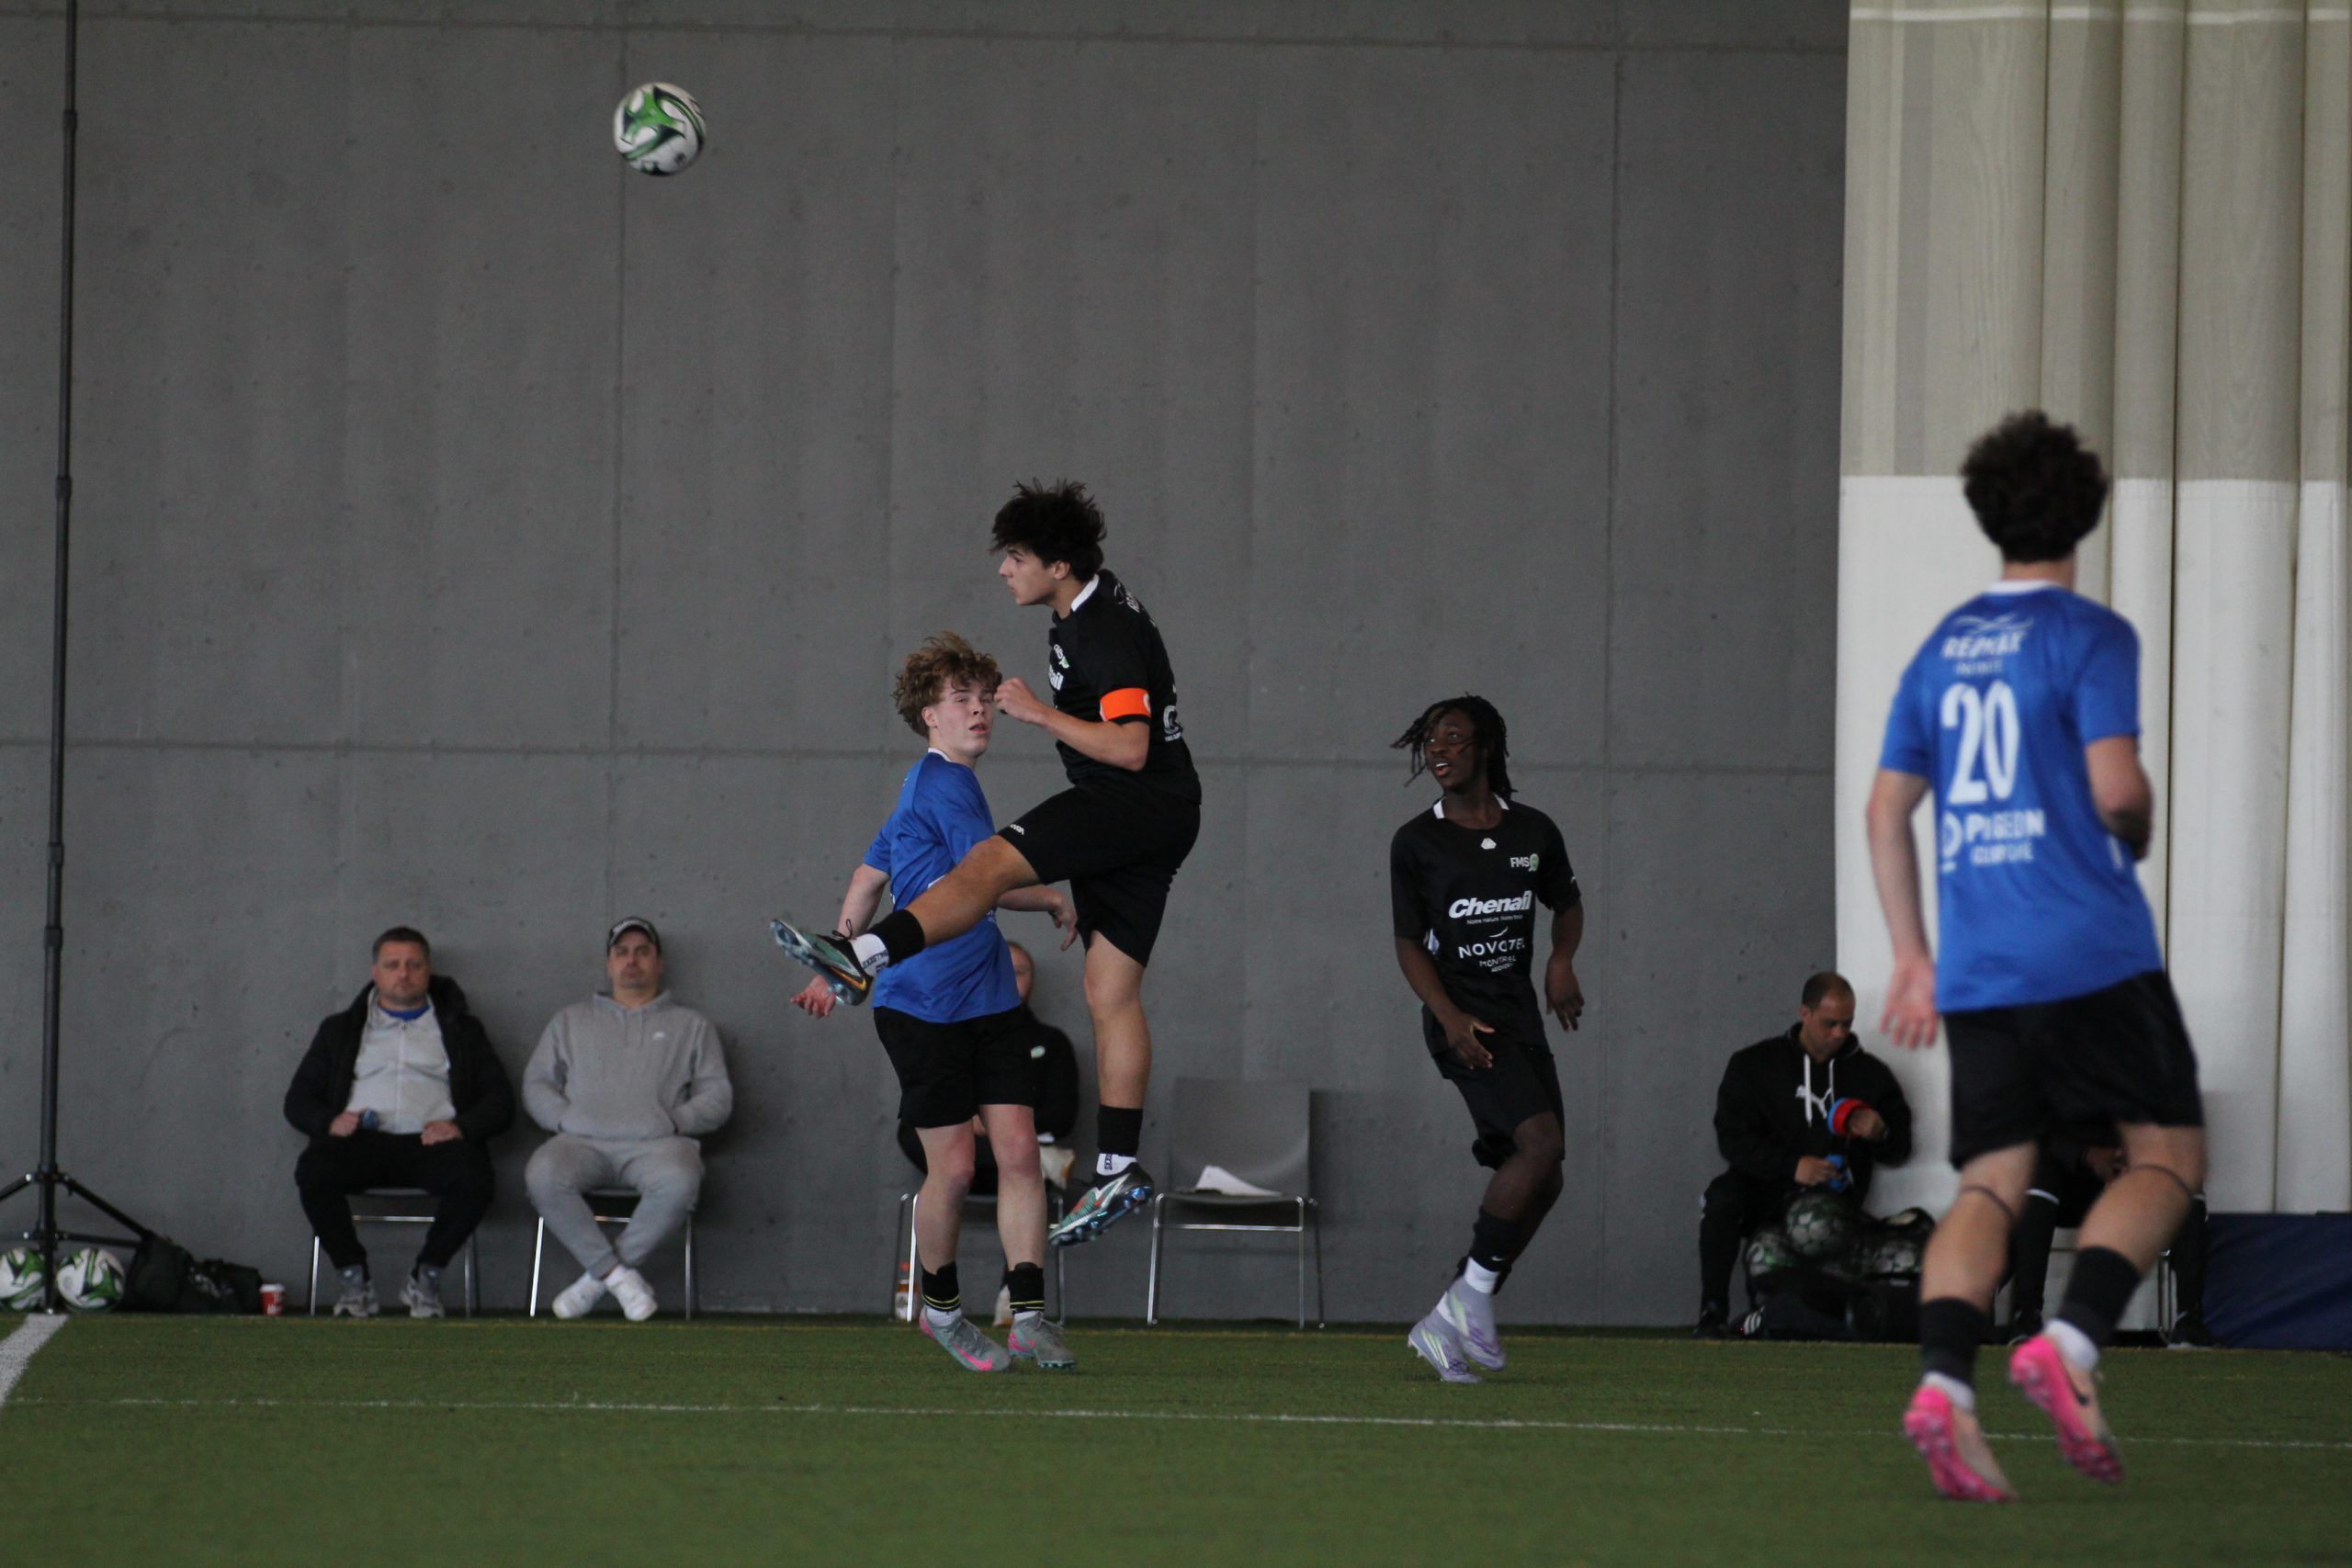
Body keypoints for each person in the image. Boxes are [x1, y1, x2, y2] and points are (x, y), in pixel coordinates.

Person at [1868, 412, 2207, 1502]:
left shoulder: (1942, 646)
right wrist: (2136, 824)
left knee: (1990, 1180)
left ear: (1988, 516)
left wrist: (1911, 957)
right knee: (2167, 1157)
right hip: (2088, 949)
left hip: (1979, 967)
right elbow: (2116, 790)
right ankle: (2068, 1342)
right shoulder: (2091, 636)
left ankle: (1942, 1387)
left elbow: (1885, 810)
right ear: (2084, 513)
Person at [773, 481, 1201, 1251]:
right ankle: (1116, 1167)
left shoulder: (1100, 627)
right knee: (1110, 990)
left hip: (1125, 800)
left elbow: (1132, 746)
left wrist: (1037, 713)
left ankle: (862, 955)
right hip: (1166, 814)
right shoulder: (1087, 611)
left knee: (980, 870)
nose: (1005, 569)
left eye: (1017, 556)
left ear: (1058, 564)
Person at [792, 633, 1080, 1372]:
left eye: (985, 699)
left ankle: (1028, 1316)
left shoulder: (923, 786)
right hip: (921, 1004)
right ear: (929, 714)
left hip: (990, 999)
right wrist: (1053, 895)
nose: (979, 711)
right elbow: (990, 880)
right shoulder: (942, 784)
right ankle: (942, 1309)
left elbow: (868, 879)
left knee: (1020, 1152)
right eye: (962, 699)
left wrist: (835, 962)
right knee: (951, 1169)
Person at [1386, 696, 1585, 1383]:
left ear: (1486, 747)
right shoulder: (1417, 841)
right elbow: (1408, 942)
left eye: (1453, 738)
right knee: (1541, 1144)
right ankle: (1467, 1299)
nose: (1438, 751)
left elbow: (1567, 902)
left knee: (1547, 1175)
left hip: (1520, 1015)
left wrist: (1561, 961)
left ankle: (1451, 1315)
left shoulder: (1534, 830)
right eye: (1431, 741)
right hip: (1462, 1018)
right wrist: (1448, 1016)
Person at [283, 927, 514, 1319]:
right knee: (314, 1170)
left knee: (476, 1177)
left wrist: (460, 1128)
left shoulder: (461, 1029)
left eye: (413, 965)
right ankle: (353, 1279)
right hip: (361, 1141)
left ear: (428, 971)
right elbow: (297, 1101)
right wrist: (330, 1121)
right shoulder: (341, 1030)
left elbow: (500, 1101)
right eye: (392, 965)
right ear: (375, 972)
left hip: (432, 1142)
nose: (403, 974)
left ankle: (426, 1277)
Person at [523, 917, 734, 1322]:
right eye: (621, 952)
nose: (631, 960)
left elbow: (718, 1096)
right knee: (543, 1175)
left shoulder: (692, 1025)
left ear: (659, 963)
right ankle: (618, 1277)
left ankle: (596, 1280)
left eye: (642, 952)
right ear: (609, 964)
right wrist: (565, 1120)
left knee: (681, 1180)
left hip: (657, 1146)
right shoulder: (569, 1021)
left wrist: (674, 1121)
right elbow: (537, 1083)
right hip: (579, 1143)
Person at [1697, 971, 1913, 1337]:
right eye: (1830, 1023)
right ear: (1805, 1014)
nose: (1839, 1033)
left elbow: (1899, 1150)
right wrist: (1791, 1166)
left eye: (1847, 1024)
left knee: (1816, 1235)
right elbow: (1731, 1140)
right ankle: (1712, 1313)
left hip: (1830, 1204)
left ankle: (1777, 1314)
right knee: (1721, 1198)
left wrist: (1882, 1132)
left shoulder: (1871, 1075)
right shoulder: (1754, 1065)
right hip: (1764, 1190)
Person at [894, 941, 1083, 1194]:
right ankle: (1044, 1162)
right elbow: (927, 1104)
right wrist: (968, 1123)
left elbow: (1061, 1118)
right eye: (998, 970)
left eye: (1018, 972)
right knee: (917, 1133)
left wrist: (994, 1123)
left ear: (1032, 981)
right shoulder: (952, 1036)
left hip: (1017, 1148)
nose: (1007, 980)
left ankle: (1031, 1160)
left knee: (1017, 1156)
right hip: (962, 1149)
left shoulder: (1051, 1042)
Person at [2004, 1123, 2214, 1348]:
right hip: (2073, 1184)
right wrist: (2085, 1155)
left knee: (2186, 1175)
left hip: (2138, 1177)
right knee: (2037, 1171)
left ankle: (2189, 1320)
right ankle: (2027, 1317)